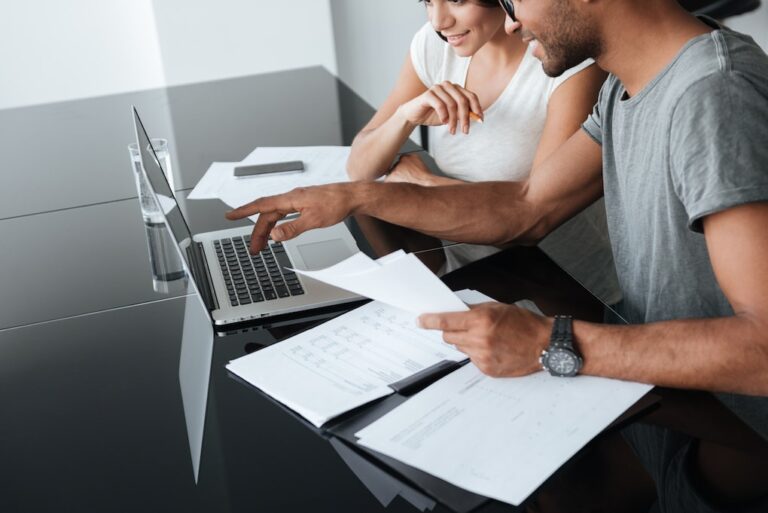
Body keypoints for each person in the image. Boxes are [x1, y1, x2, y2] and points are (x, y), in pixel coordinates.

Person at [228, 0, 768, 509]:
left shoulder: (714, 95)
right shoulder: (628, 85)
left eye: (513, 1)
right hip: (666, 397)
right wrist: (355, 196)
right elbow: (527, 206)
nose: (510, 24)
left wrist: (550, 343)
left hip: (732, 437)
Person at [347, 0, 621, 304]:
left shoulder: (566, 63)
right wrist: (404, 117)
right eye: (427, 2)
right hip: (468, 271)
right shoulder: (435, 44)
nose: (439, 21)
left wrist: (424, 185)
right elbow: (359, 169)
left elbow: (532, 220)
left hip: (561, 287)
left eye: (458, 1)